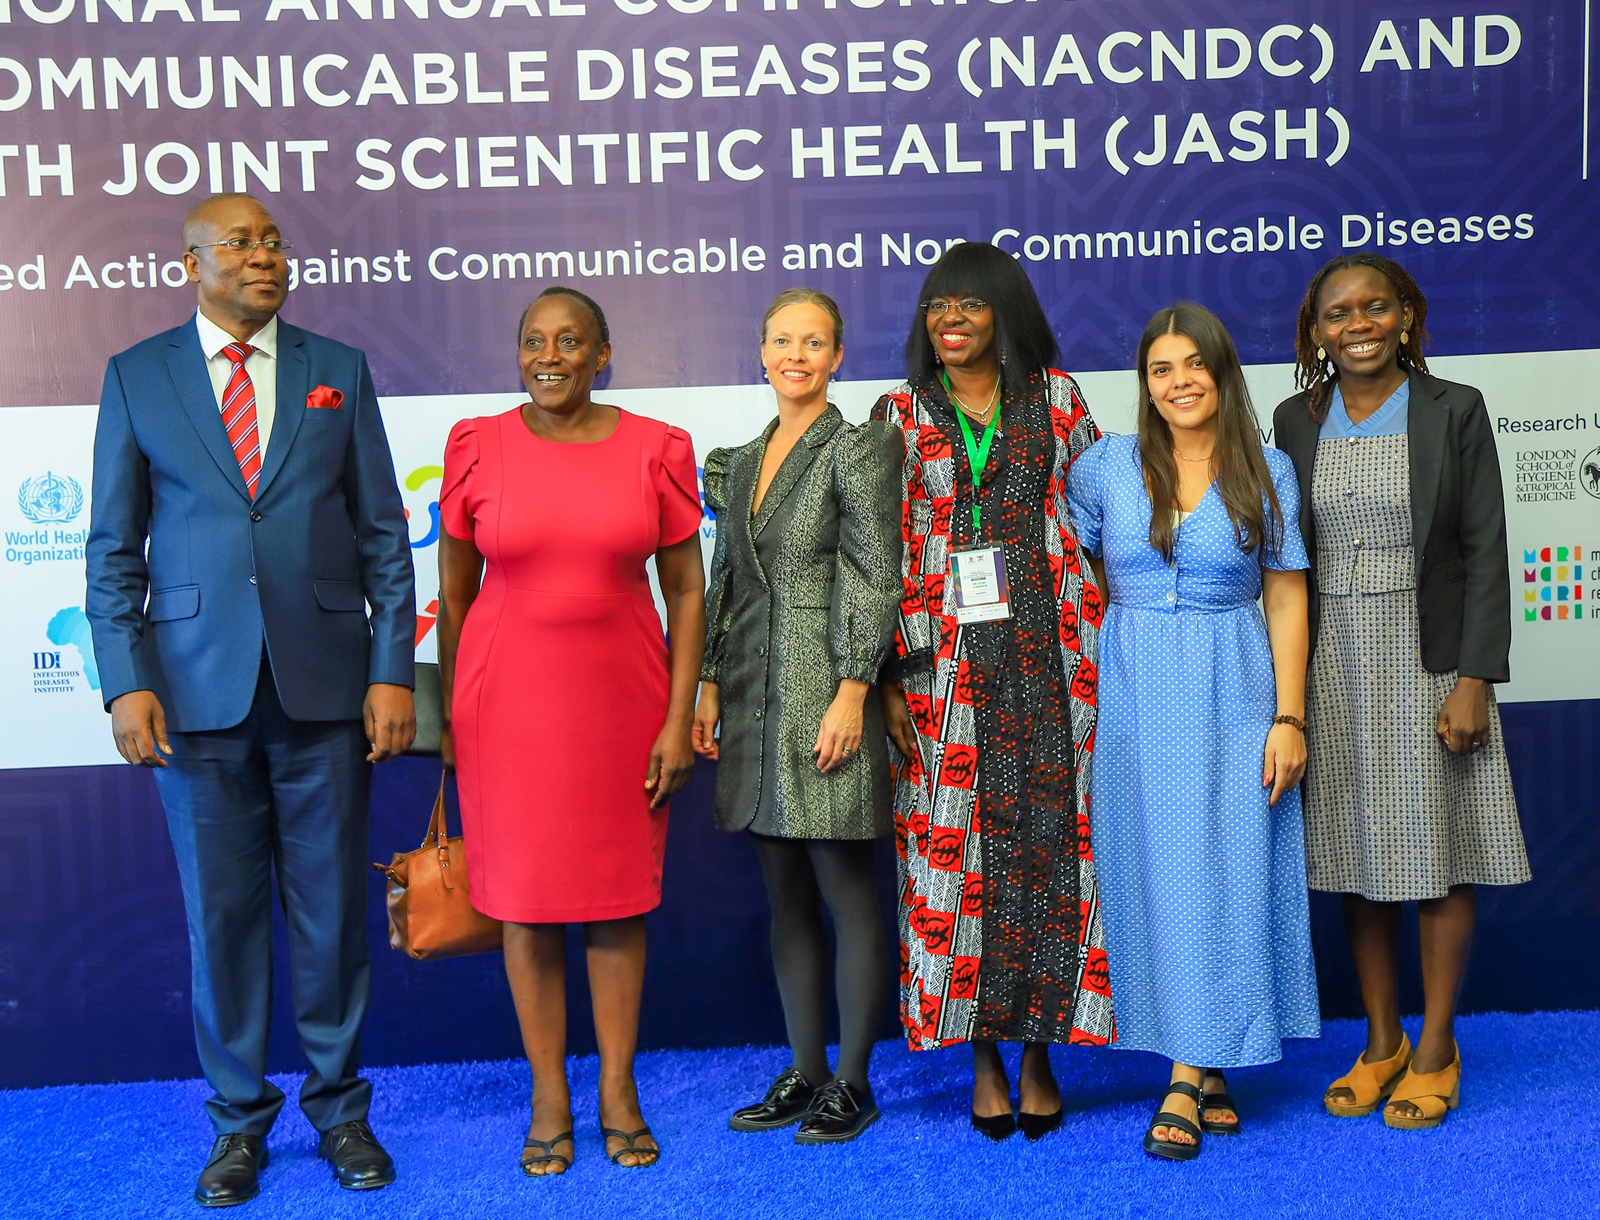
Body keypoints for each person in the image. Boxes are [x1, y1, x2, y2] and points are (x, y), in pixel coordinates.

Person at [85, 194, 416, 1207]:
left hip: (325, 683)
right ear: (192, 264)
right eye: (243, 242)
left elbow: (381, 537)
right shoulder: (138, 376)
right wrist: (126, 677)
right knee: (220, 918)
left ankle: (340, 1110)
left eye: (274, 240)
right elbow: (112, 545)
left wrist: (391, 669)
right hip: (190, 694)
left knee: (331, 918)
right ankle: (236, 1123)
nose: (268, 255)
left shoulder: (337, 370)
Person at [435, 286, 705, 1176]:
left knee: (619, 900)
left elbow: (689, 592)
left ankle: (618, 1092)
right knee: (525, 905)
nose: (549, 356)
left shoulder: (655, 448)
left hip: (624, 704)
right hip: (505, 705)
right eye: (532, 341)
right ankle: (549, 1094)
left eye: (569, 341)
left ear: (603, 353)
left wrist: (676, 716)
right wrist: (450, 706)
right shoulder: (478, 447)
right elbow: (458, 586)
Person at [1274, 254, 1529, 1131]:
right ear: (1316, 333)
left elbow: (1485, 549)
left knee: (1439, 854)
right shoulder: (1293, 418)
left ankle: (1436, 1047)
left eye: (1374, 308)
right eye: (1336, 313)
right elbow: (1286, 560)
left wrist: (1473, 678)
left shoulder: (1455, 408)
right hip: (1328, 660)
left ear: (1406, 317)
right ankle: (1380, 1042)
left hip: (1429, 660)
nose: (1357, 324)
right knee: (1355, 854)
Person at [871, 242, 1114, 1142]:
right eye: (938, 307)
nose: (951, 322)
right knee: (956, 854)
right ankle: (980, 1055)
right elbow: (883, 548)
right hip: (944, 668)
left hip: (1056, 655)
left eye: (970, 306)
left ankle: (1043, 1051)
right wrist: (891, 672)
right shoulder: (896, 411)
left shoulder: (1058, 399)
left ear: (1005, 312)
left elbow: (1097, 522)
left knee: (1057, 853)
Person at [1067, 303, 1320, 1160]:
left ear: (1222, 371)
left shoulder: (1269, 470)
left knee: (1229, 872)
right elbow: (1084, 573)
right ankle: (1203, 1066)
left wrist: (1290, 716)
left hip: (1239, 688)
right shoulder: (1103, 468)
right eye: (1161, 369)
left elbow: (1286, 594)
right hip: (1135, 696)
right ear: (1145, 383)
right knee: (1160, 878)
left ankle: (1187, 1071)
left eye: (1194, 365)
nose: (1179, 382)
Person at [692, 289, 903, 1144]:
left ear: (838, 356)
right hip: (752, 695)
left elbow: (876, 573)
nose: (797, 355)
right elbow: (726, 582)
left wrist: (853, 689)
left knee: (845, 893)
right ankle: (805, 1067)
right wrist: (708, 681)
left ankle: (852, 1081)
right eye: (783, 340)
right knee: (783, 896)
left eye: (814, 343)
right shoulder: (739, 461)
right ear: (763, 349)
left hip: (827, 696)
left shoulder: (857, 449)